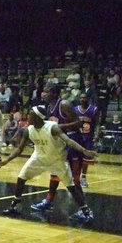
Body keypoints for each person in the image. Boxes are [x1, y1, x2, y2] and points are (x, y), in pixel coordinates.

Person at [0, 105, 96, 224]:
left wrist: (84, 151)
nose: (27, 116)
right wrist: (7, 160)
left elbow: (68, 141)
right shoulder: (29, 129)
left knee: (71, 186)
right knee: (21, 177)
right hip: (38, 157)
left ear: (37, 117)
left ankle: (86, 211)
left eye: (30, 114)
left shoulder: (52, 128)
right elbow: (19, 149)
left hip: (57, 160)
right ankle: (15, 206)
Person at [31, 84, 80, 212]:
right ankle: (49, 200)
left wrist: (59, 128)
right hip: (60, 143)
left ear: (53, 93)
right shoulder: (48, 107)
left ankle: (83, 209)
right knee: (54, 171)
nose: (43, 94)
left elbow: (78, 123)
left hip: (73, 142)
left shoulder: (64, 104)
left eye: (46, 92)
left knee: (75, 178)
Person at [69, 92, 99, 187]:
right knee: (75, 159)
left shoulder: (94, 109)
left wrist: (97, 134)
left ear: (88, 99)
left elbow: (97, 123)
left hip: (88, 137)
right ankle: (74, 178)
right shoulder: (74, 110)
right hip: (77, 136)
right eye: (81, 98)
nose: (82, 99)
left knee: (86, 159)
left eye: (84, 98)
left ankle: (84, 178)